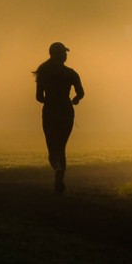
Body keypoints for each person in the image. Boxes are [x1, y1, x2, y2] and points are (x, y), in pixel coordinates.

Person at [33, 41, 84, 193]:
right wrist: (75, 100)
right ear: (62, 56)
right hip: (66, 110)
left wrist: (49, 99)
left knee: (52, 148)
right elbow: (81, 93)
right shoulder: (71, 73)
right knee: (61, 147)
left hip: (50, 110)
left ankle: (57, 168)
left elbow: (38, 97)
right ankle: (60, 177)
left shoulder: (43, 72)